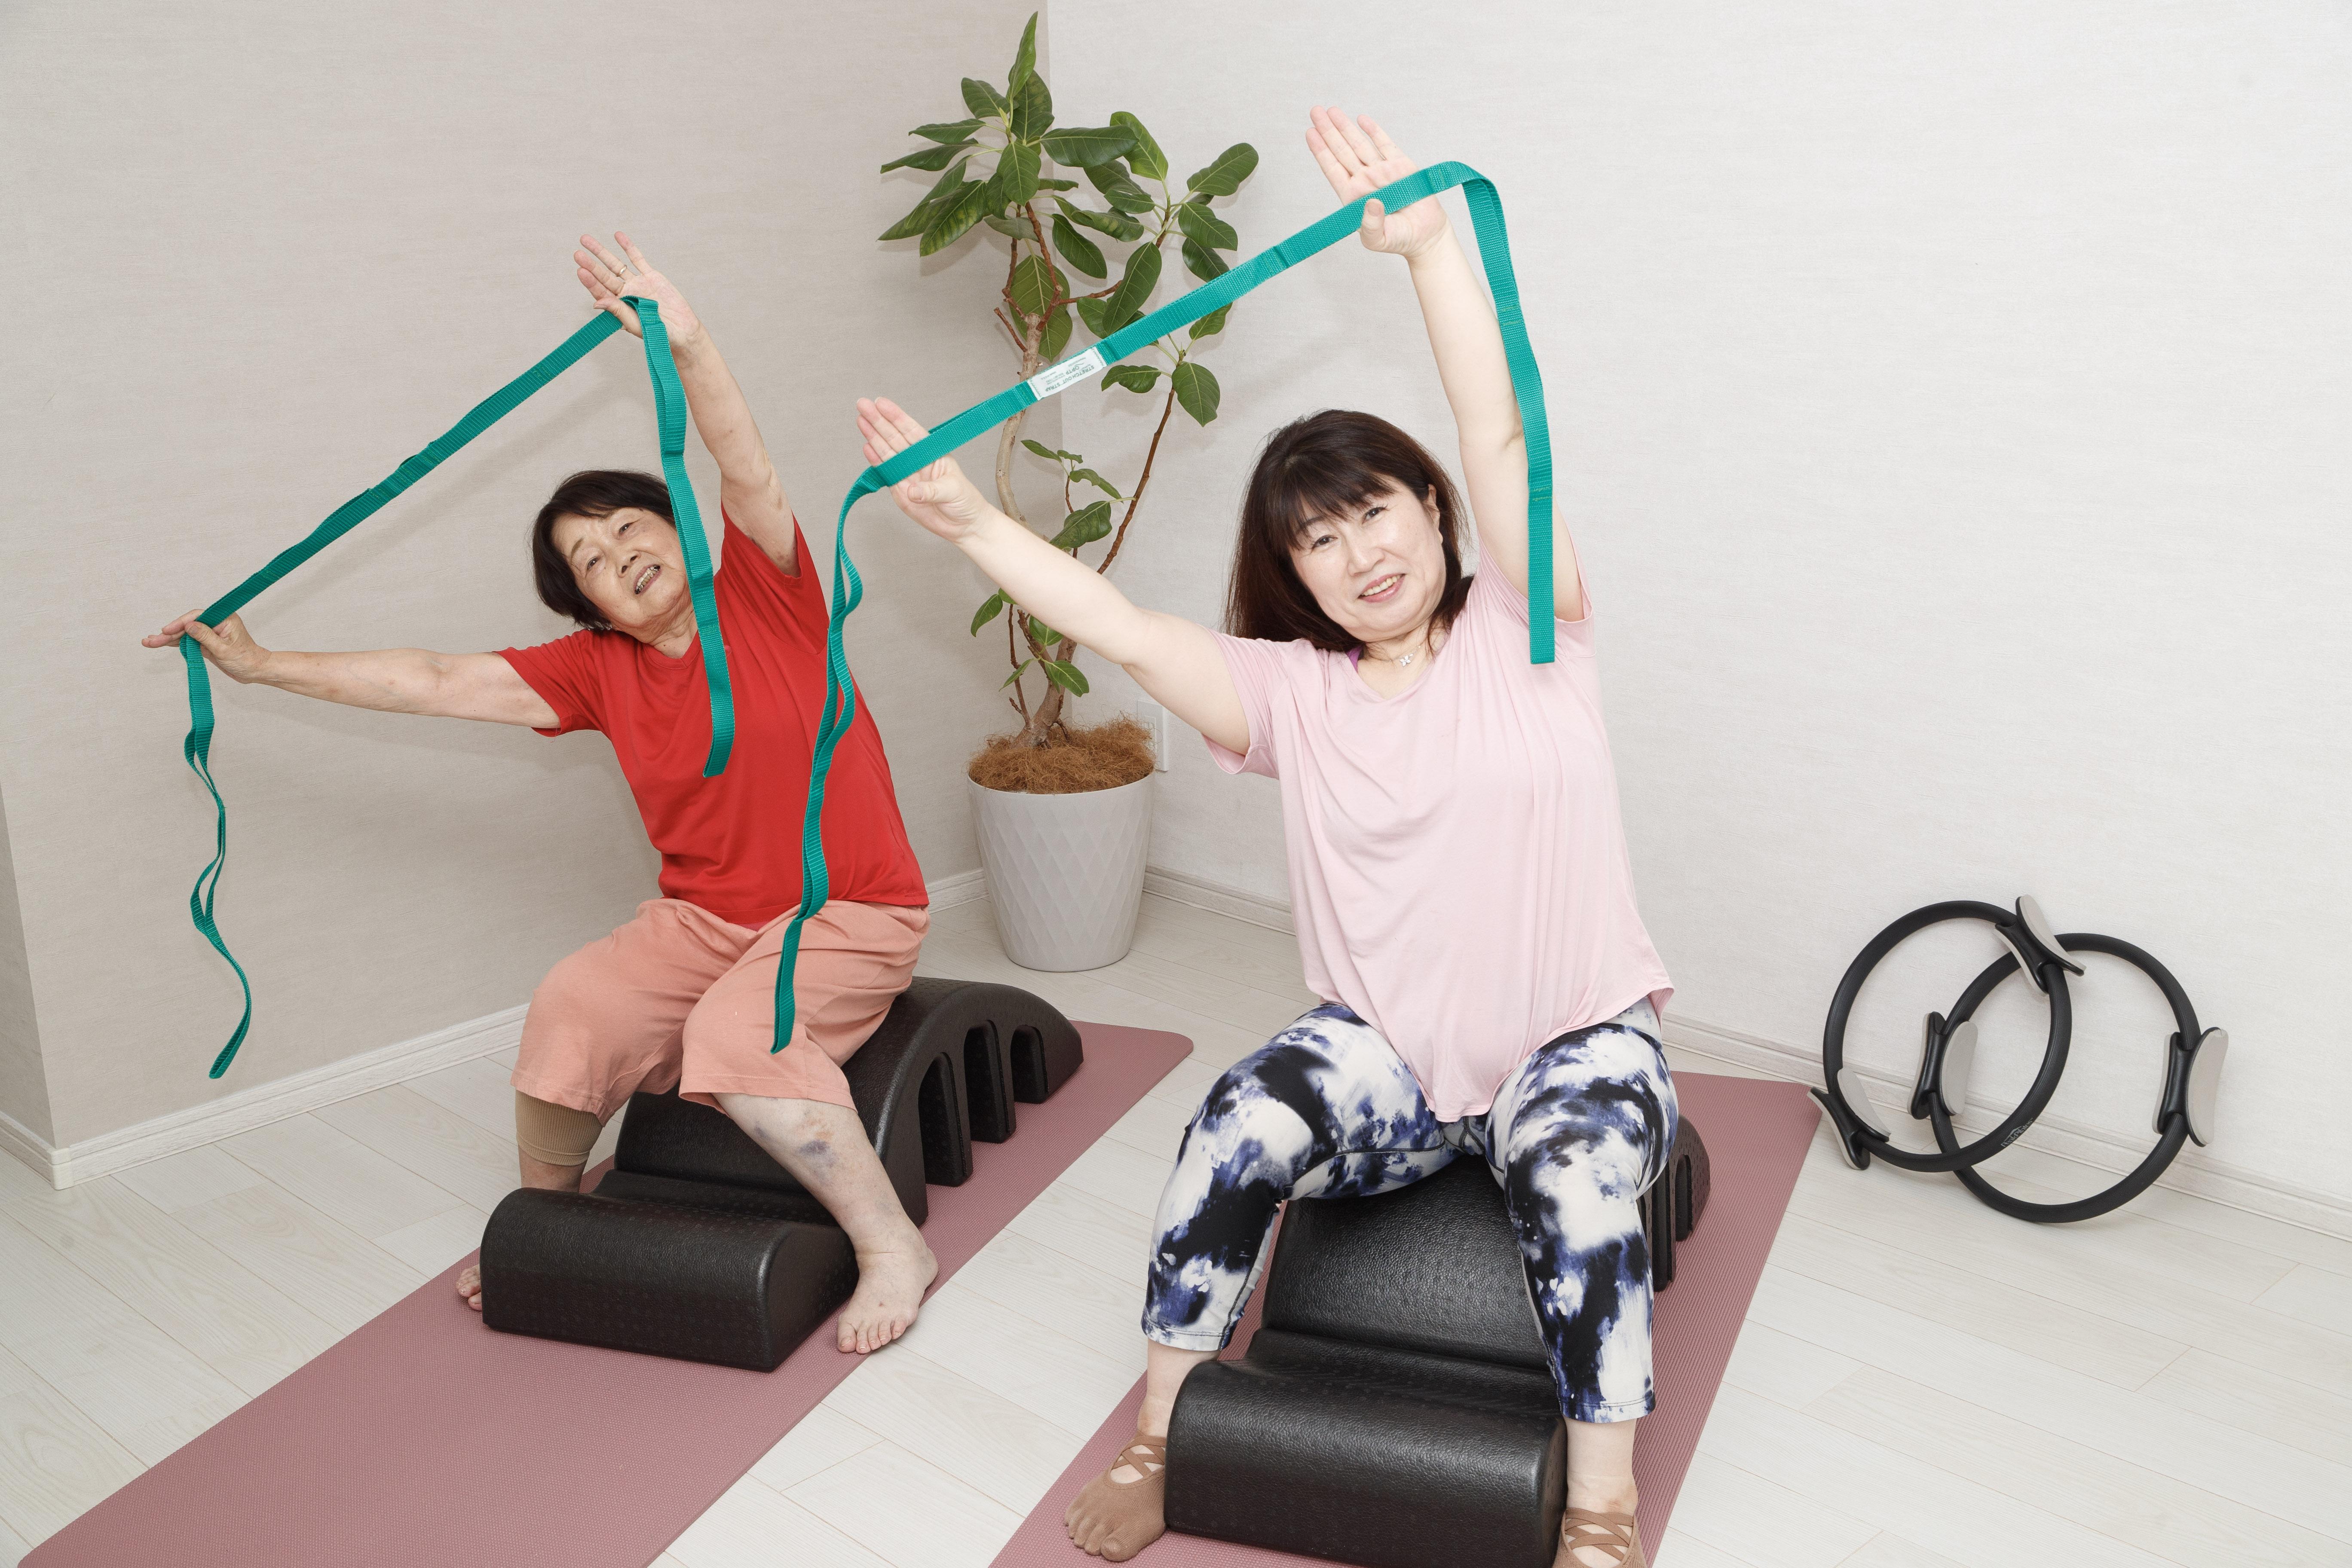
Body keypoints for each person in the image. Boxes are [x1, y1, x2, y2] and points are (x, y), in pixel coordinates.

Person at [856, 108, 1676, 1565]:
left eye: (1378, 514)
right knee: (1236, 1121)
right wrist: (972, 526)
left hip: (1577, 1041)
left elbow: (1501, 429)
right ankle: (1163, 1433)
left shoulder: (1530, 626)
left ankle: (1602, 1517)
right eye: (1321, 540)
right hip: (1390, 1061)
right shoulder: (1294, 695)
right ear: (1293, 574)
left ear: (1434, 512)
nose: (1363, 554)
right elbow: (1119, 627)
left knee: (1573, 1180)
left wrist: (1429, 256)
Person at [146, 236, 939, 1355]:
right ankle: (551, 1229)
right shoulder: (597, 673)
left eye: (629, 526)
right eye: (593, 563)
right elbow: (434, 679)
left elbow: (746, 464)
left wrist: (689, 341)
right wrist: (265, 666)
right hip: (709, 923)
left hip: (849, 910)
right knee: (575, 1002)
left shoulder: (768, 594)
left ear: (679, 524)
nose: (621, 554)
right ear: (590, 610)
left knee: (738, 1031)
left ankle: (891, 1244)